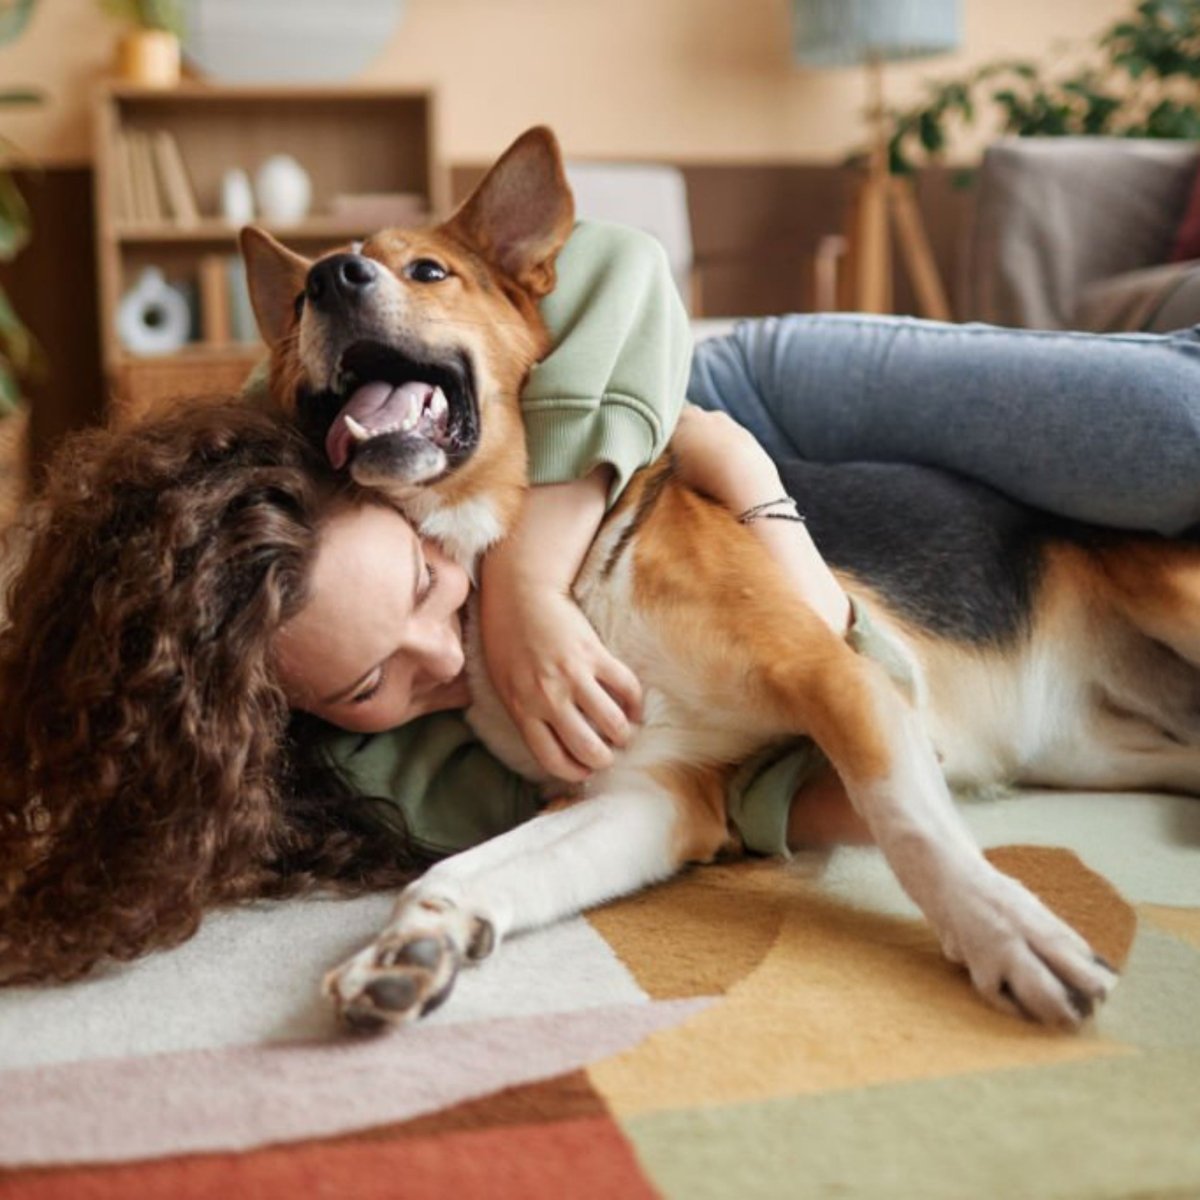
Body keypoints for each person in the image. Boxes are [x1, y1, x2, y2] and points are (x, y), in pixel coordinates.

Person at [4, 220, 1200, 986]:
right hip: (1021, 700)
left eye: (429, 588)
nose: (448, 650)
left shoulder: (323, 469)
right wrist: (455, 904)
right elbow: (670, 810)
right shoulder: (316, 656)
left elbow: (621, 265)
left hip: (697, 386)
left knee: (1173, 441)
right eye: (373, 680)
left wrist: (533, 575)